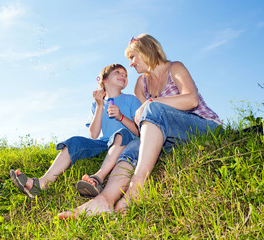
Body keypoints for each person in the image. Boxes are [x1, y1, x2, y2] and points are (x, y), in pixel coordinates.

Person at [58, 33, 222, 219]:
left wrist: (151, 102)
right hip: (170, 137)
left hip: (202, 127)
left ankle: (137, 188)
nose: (131, 63)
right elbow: (146, 123)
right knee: (135, 143)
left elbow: (191, 99)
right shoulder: (141, 83)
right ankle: (104, 200)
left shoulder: (174, 67)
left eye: (132, 57)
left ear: (146, 50)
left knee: (152, 107)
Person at [10, 63, 141, 199]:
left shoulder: (131, 100)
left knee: (121, 133)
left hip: (125, 141)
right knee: (74, 142)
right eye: (118, 72)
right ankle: (41, 183)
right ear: (104, 80)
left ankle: (97, 178)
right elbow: (94, 135)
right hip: (104, 144)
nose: (123, 76)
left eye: (125, 75)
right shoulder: (97, 104)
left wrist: (121, 117)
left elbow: (139, 131)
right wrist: (99, 105)